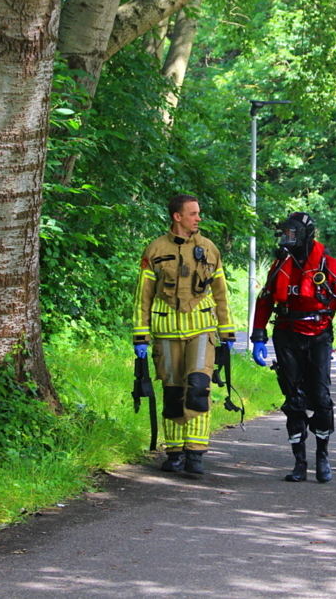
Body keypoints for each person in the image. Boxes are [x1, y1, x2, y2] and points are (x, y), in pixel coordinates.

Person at [132, 194, 237, 476]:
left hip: (202, 328)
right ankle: (175, 452)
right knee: (173, 391)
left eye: (198, 213)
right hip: (165, 331)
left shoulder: (209, 249)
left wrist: (227, 328)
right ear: (177, 217)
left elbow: (221, 293)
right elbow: (142, 296)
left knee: (199, 388)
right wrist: (140, 335)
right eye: (193, 213)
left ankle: (195, 453)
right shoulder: (155, 249)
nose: (198, 218)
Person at [250, 212, 336, 483]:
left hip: (319, 336)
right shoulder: (280, 265)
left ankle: (323, 456)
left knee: (320, 399)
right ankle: (300, 461)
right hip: (286, 335)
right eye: (284, 234)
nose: (287, 239)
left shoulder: (330, 266)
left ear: (305, 235)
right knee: (293, 400)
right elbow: (265, 302)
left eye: (292, 234)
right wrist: (258, 337)